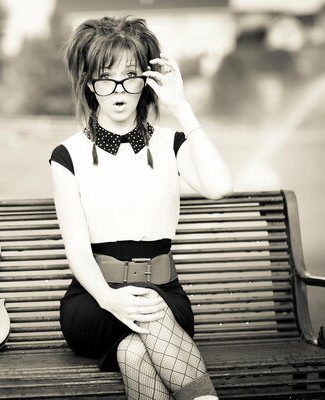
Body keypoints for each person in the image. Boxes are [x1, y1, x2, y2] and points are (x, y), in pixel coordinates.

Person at [49, 16, 233, 400]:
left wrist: (182, 107)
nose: (118, 89)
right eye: (105, 77)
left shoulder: (170, 144)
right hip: (96, 302)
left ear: (146, 82)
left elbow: (219, 186)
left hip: (165, 294)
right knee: (147, 312)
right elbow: (77, 251)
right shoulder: (68, 155)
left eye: (130, 76)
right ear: (89, 83)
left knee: (135, 350)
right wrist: (111, 299)